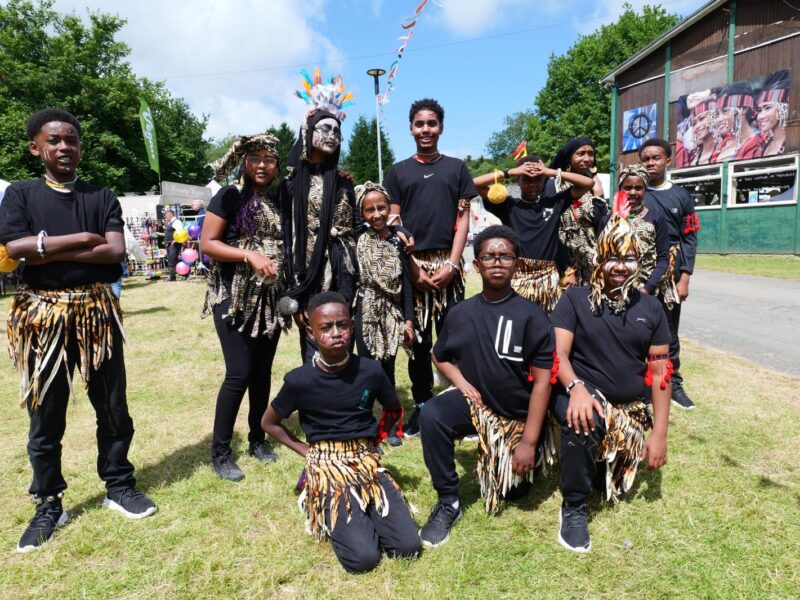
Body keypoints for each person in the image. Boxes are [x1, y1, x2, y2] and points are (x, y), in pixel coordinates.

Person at [0, 108, 156, 553]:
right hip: (42, 315)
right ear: (36, 148)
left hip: (96, 313)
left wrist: (45, 247)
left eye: (71, 139)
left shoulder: (101, 195)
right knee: (45, 413)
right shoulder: (20, 195)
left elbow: (115, 254)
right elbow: (15, 247)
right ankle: (48, 502)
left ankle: (119, 485)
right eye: (54, 140)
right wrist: (85, 240)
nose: (64, 146)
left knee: (112, 406)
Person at [417, 225, 557, 547]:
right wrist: (462, 383)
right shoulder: (460, 313)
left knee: (516, 493)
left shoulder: (533, 316)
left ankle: (503, 455)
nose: (497, 262)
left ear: (517, 263)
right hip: (477, 406)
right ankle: (448, 501)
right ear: (476, 265)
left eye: (505, 256)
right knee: (432, 415)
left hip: (515, 418)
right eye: (488, 257)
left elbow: (542, 385)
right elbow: (440, 357)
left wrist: (529, 443)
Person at [262, 292, 420, 574]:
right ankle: (315, 497)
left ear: (352, 326)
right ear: (310, 332)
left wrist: (375, 441)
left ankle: (367, 513)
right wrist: (304, 450)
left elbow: (394, 411)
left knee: (408, 547)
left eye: (343, 325)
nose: (336, 333)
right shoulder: (299, 380)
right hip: (327, 466)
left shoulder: (370, 371)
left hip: (366, 461)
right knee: (363, 560)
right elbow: (269, 423)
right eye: (326, 327)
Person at [551, 214, 672, 553]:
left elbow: (660, 372)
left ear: (639, 261)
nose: (621, 266)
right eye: (613, 257)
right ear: (598, 259)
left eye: (629, 258)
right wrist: (575, 388)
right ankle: (574, 506)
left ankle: (602, 461)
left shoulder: (651, 307)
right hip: (581, 395)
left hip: (629, 409)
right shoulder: (574, 299)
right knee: (584, 419)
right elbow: (558, 354)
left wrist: (660, 433)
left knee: (609, 488)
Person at [383, 98, 478, 435]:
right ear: (411, 128)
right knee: (418, 342)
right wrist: (411, 267)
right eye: (419, 124)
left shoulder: (457, 168)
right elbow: (394, 221)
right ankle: (423, 406)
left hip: (448, 264)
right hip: (413, 265)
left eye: (432, 123)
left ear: (441, 127)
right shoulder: (398, 171)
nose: (426, 130)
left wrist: (453, 263)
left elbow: (463, 217)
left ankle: (461, 407)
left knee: (454, 339)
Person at [200, 133, 289, 481]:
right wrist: (249, 254)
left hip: (269, 299)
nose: (263, 165)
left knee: (262, 371)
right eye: (255, 158)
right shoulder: (231, 195)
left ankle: (257, 438)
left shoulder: (279, 199)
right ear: (243, 162)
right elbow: (208, 243)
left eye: (269, 159)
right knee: (239, 372)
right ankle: (220, 452)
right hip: (232, 296)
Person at [281, 106, 358, 363]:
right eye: (325, 128)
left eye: (337, 131)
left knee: (343, 340)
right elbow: (287, 237)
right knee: (315, 344)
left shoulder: (344, 182)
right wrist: (297, 294)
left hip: (342, 272)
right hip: (308, 277)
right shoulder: (291, 184)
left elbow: (356, 228)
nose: (332, 135)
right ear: (308, 132)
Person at [473, 156, 594, 314]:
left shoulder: (554, 203)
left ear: (544, 181)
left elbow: (588, 183)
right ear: (518, 182)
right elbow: (474, 184)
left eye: (538, 180)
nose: (533, 185)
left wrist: (550, 172)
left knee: (547, 327)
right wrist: (510, 172)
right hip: (518, 278)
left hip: (548, 281)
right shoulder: (509, 206)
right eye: (526, 180)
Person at [639, 139, 700, 410]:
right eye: (646, 159)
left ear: (668, 160)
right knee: (636, 324)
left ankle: (672, 382)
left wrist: (684, 276)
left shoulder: (682, 196)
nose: (651, 163)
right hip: (638, 266)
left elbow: (690, 237)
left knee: (668, 329)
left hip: (670, 270)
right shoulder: (634, 191)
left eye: (656, 158)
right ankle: (640, 384)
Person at [353, 182, 415, 392]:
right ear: (362, 213)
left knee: (388, 363)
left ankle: (390, 415)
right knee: (367, 364)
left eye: (382, 208)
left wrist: (408, 321)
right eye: (369, 210)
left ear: (390, 208)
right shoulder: (358, 239)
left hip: (392, 310)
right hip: (366, 308)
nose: (377, 214)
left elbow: (406, 284)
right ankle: (365, 412)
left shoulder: (398, 241)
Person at [595, 164, 670, 298]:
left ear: (645, 190)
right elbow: (600, 256)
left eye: (638, 188)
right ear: (620, 189)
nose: (633, 192)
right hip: (612, 288)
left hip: (645, 290)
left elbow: (663, 258)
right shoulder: (607, 220)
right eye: (628, 188)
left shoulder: (656, 218)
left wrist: (648, 288)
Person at [549, 137, 606, 286]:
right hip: (561, 253)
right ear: (569, 157)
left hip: (590, 256)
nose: (587, 158)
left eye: (591, 154)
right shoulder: (554, 184)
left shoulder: (595, 184)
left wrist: (599, 195)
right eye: (580, 153)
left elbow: (601, 223)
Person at [711, 83, 761, 162]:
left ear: (743, 109)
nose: (719, 119)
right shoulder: (723, 143)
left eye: (725, 111)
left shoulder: (756, 143)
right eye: (717, 114)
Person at [755, 76, 789, 157]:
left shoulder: (794, 143)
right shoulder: (762, 146)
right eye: (759, 110)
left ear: (783, 107)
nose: (760, 117)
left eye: (768, 108)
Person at [163, 209, 183, 281]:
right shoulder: (171, 222)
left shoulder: (177, 222)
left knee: (172, 260)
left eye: (166, 216)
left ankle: (172, 277)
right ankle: (174, 275)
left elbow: (181, 232)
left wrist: (175, 240)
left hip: (174, 244)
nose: (165, 217)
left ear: (170, 215)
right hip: (170, 244)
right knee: (173, 260)